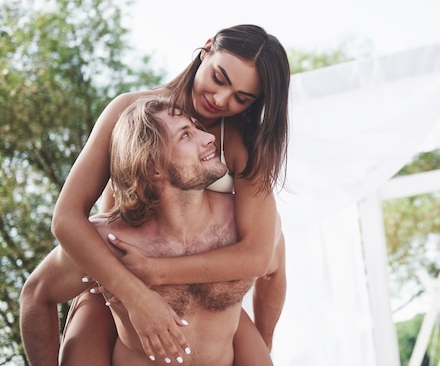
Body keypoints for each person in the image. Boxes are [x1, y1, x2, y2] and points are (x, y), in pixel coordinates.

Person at [47, 24, 289, 363]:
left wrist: (157, 271)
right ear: (206, 49)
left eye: (241, 98)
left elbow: (260, 256)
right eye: (219, 78)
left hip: (203, 295)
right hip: (115, 280)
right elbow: (67, 218)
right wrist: (134, 295)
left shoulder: (243, 142)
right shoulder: (129, 112)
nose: (221, 100)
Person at [20, 97, 270, 365]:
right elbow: (36, 296)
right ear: (153, 168)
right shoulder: (109, 243)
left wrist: (265, 344)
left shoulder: (242, 226)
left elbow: (274, 275)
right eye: (186, 135)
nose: (209, 137)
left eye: (197, 127)